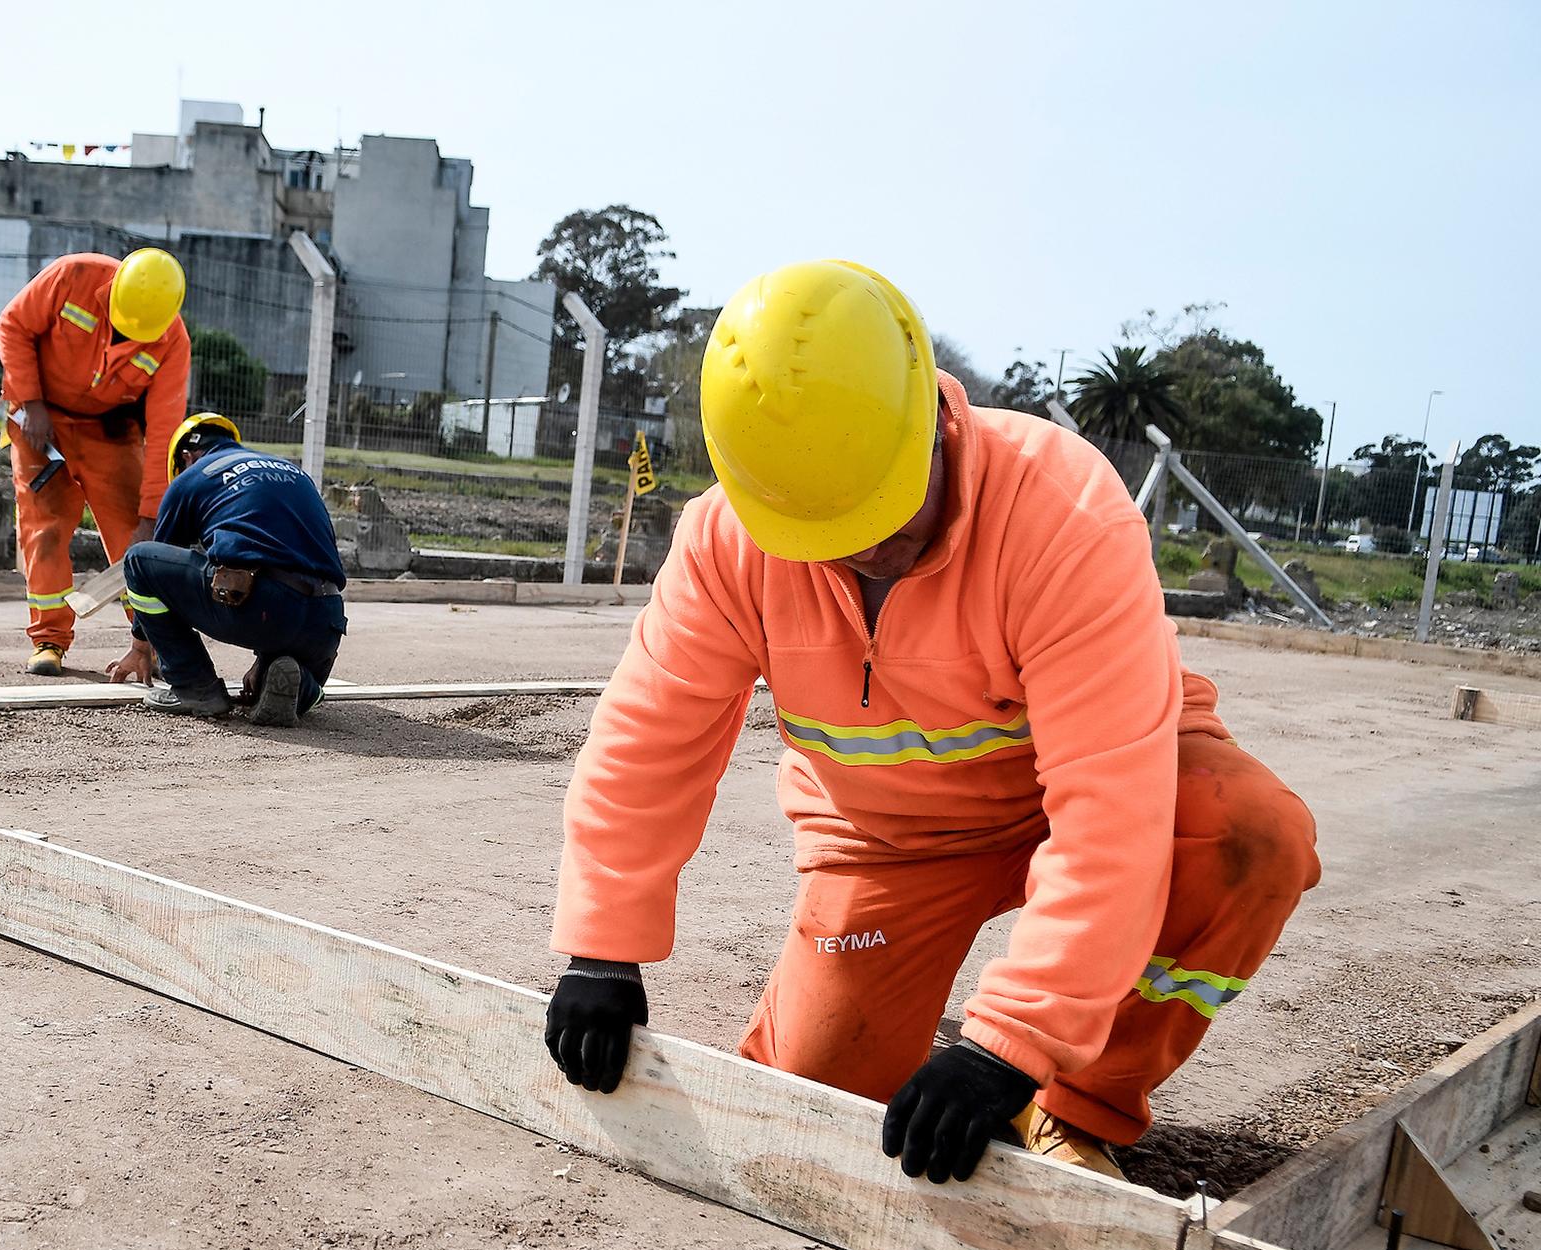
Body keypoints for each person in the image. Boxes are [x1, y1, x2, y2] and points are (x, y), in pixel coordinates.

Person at [543, 260, 1321, 1186]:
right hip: (894, 841)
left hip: (1077, 795)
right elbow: (648, 743)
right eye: (832, 526)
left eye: (884, 503)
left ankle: (1077, 1106)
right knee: (820, 1105)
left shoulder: (1059, 512)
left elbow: (1113, 809)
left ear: (933, 417)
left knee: (1248, 837)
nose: (872, 545)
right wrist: (602, 949)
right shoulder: (728, 543)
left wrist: (1010, 1047)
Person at [0, 247, 192, 677]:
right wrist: (31, 402)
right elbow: (13, 325)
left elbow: (164, 434)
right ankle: (49, 640)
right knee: (45, 530)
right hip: (41, 423)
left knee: (135, 541)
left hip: (111, 430)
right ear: (114, 287)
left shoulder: (172, 342)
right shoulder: (73, 276)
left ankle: (151, 641)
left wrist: (150, 515)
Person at [113, 413, 348, 728]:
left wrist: (140, 646)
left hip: (261, 610)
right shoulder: (294, 473)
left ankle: (194, 687)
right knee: (273, 676)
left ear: (186, 457)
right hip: (325, 624)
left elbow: (158, 566)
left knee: (138, 560)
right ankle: (301, 685)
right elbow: (286, 555)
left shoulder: (194, 476)